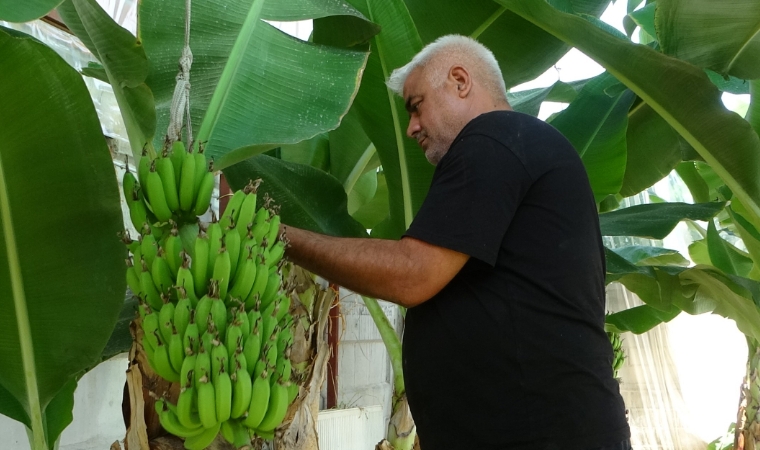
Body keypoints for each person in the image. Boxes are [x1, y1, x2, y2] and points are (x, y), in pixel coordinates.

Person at [282, 35, 631, 450]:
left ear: (460, 80)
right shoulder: (516, 146)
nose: (411, 127)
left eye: (416, 106)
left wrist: (283, 238)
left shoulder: (495, 138)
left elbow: (414, 273)